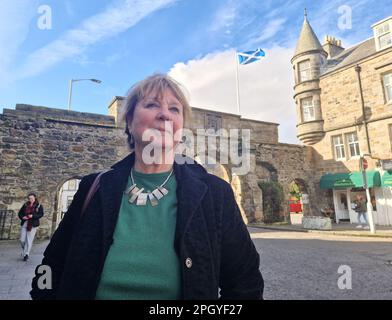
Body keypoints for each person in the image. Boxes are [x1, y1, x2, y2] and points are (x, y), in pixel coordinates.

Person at [30, 74, 263, 300]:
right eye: (152, 105)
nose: (165, 115)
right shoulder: (94, 187)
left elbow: (246, 282)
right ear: (129, 122)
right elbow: (50, 266)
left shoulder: (214, 193)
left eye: (174, 109)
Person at [18, 193, 44, 261]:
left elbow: (41, 214)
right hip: (25, 224)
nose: (31, 200)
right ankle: (24, 251)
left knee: (29, 241)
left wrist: (33, 216)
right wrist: (22, 217)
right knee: (22, 240)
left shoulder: (39, 206)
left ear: (35, 198)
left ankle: (26, 254)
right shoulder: (26, 204)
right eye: (29, 198)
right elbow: (20, 213)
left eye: (32, 198)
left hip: (33, 224)